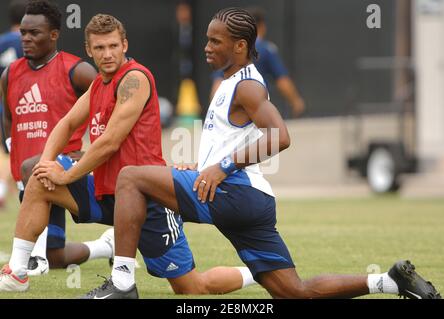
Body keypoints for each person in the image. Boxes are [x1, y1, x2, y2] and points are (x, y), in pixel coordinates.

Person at [82, 7, 442, 299]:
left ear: (239, 46)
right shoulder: (228, 82)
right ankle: (390, 282)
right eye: (206, 39)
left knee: (131, 177)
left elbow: (280, 135)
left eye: (214, 41)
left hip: (233, 192)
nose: (206, 47)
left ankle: (123, 283)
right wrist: (204, 166)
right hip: (250, 201)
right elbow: (234, 140)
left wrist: (221, 168)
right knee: (295, 293)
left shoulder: (247, 86)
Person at [0, 13, 256, 296]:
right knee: (37, 171)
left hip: (147, 198)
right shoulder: (99, 83)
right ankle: (18, 271)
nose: (107, 54)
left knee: (192, 288)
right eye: (99, 48)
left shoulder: (135, 78)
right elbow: (67, 123)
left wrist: (68, 173)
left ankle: (258, 272)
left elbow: (109, 141)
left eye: (112, 46)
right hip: (105, 190)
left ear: (124, 45)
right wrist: (49, 162)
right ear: (89, 50)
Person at [0, 0, 114, 277]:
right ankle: (108, 245)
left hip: (59, 170)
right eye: (24, 32)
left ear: (53, 35)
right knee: (57, 256)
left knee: (41, 257)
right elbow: (7, 115)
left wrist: (89, 150)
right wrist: (10, 146)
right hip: (26, 172)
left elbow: (111, 103)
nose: (26, 38)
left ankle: (26, 266)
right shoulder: (9, 74)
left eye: (34, 33)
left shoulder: (77, 70)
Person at [210, 7, 305, 118]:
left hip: (232, 112)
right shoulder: (266, 49)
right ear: (262, 26)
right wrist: (296, 101)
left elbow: (218, 83)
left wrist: (216, 111)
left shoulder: (229, 50)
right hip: (256, 109)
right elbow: (282, 81)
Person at [0, 0, 27, 209]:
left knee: (5, 150)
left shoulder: (1, 41)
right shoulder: (30, 41)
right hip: (22, 105)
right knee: (16, 150)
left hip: (2, 104)